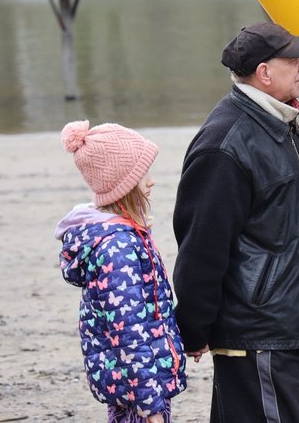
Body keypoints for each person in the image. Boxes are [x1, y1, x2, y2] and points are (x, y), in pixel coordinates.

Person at [172, 21, 299, 423]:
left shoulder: (277, 122)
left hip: (272, 322)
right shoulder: (227, 143)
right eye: (293, 60)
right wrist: (194, 327)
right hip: (254, 328)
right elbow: (201, 247)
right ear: (264, 72)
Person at [56, 120, 187, 423]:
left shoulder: (124, 235)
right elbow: (129, 334)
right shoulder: (118, 248)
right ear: (123, 183)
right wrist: (150, 405)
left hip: (137, 385)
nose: (151, 181)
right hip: (139, 390)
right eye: (143, 174)